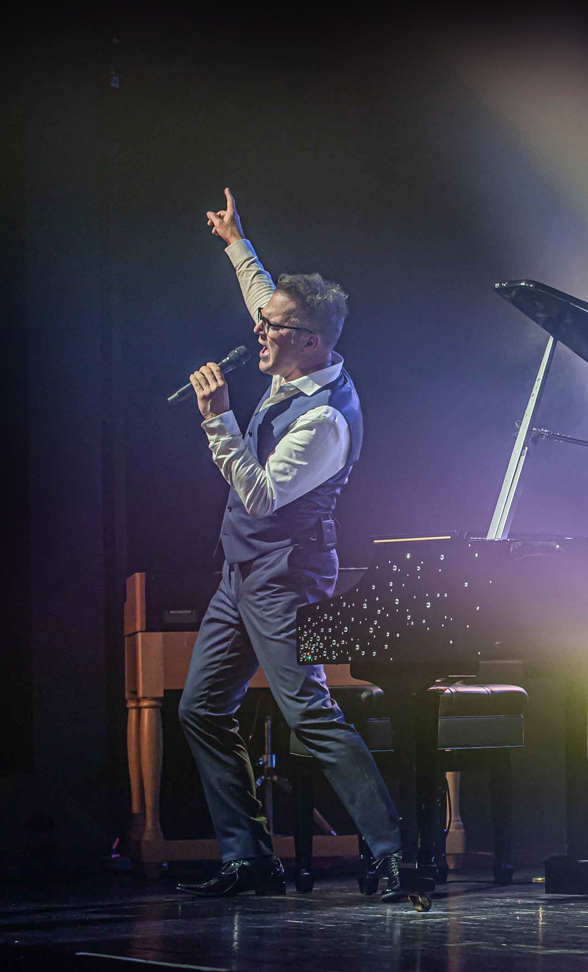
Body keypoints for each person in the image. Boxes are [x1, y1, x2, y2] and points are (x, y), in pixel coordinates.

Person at [174, 188, 413, 902]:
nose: (257, 333)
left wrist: (217, 419)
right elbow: (264, 297)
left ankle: (393, 853)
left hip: (286, 573)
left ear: (309, 341)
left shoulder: (326, 422)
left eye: (271, 329)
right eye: (262, 323)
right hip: (242, 572)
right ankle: (249, 857)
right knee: (200, 708)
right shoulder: (293, 352)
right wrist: (235, 243)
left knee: (308, 713)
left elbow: (260, 495)